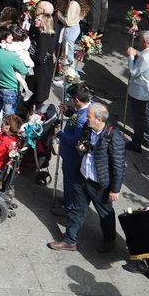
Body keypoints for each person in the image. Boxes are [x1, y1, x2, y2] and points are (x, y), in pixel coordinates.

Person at [48, 102, 125, 253]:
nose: (86, 119)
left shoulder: (114, 137)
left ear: (99, 119)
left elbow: (118, 166)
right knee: (77, 210)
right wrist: (81, 147)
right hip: (82, 176)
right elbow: (82, 144)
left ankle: (109, 240)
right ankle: (70, 240)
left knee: (105, 213)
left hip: (99, 184)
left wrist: (115, 190)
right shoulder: (88, 128)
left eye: (89, 117)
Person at [127, 30, 149, 153]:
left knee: (139, 119)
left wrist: (131, 56)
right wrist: (137, 53)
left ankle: (137, 142)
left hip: (141, 93)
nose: (139, 41)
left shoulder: (145, 58)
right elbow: (145, 55)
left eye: (141, 39)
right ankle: (147, 139)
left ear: (145, 42)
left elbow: (134, 73)